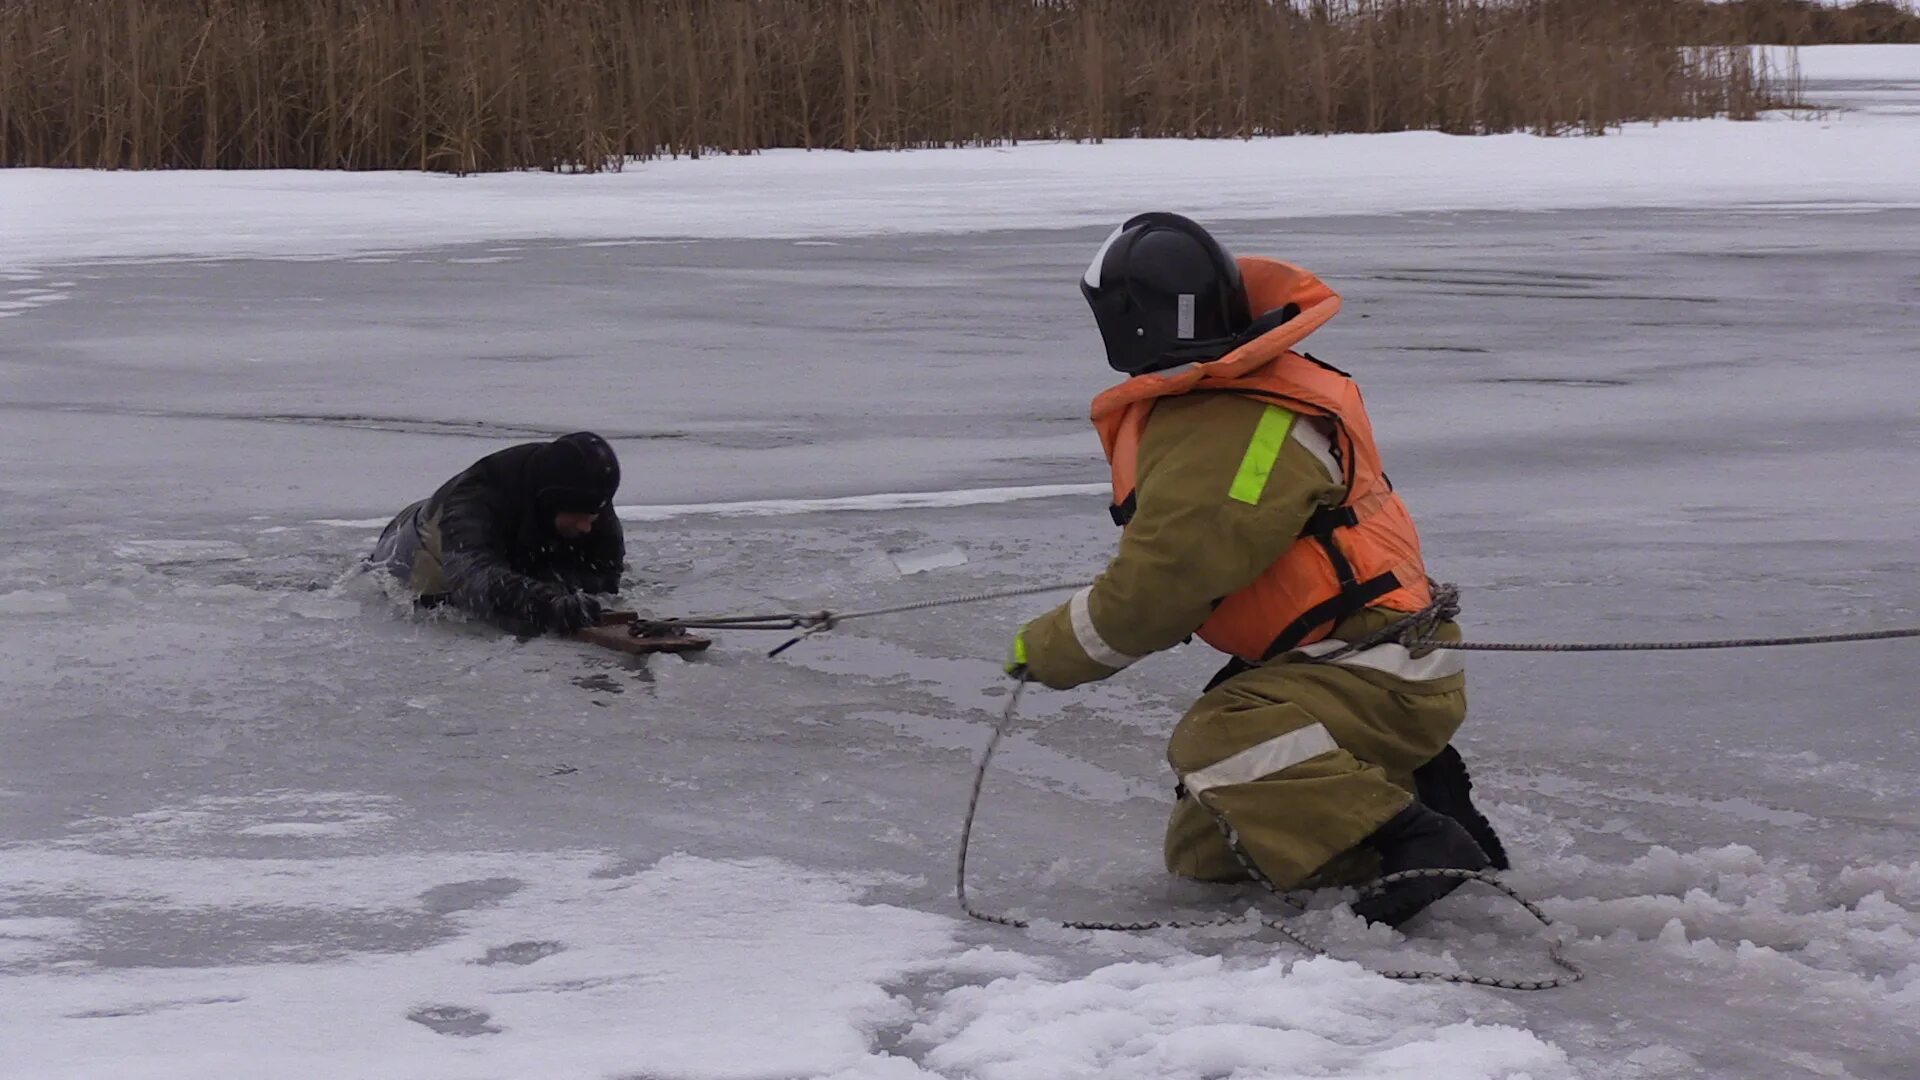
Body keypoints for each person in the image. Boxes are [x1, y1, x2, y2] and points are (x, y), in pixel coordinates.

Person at [1009, 213, 1507, 927]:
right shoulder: (1236, 400)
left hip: (1376, 667)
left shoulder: (1240, 425)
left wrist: (1044, 651)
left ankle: (1420, 841)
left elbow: (1164, 585)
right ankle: (1404, 794)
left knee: (1216, 740)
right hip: (1340, 657)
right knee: (1210, 856)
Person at [370, 431, 626, 636]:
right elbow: (473, 581)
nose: (587, 527)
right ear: (552, 502)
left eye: (594, 515)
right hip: (415, 549)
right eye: (580, 516)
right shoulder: (475, 500)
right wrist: (548, 603)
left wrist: (575, 597)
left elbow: (605, 576)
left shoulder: (590, 496)